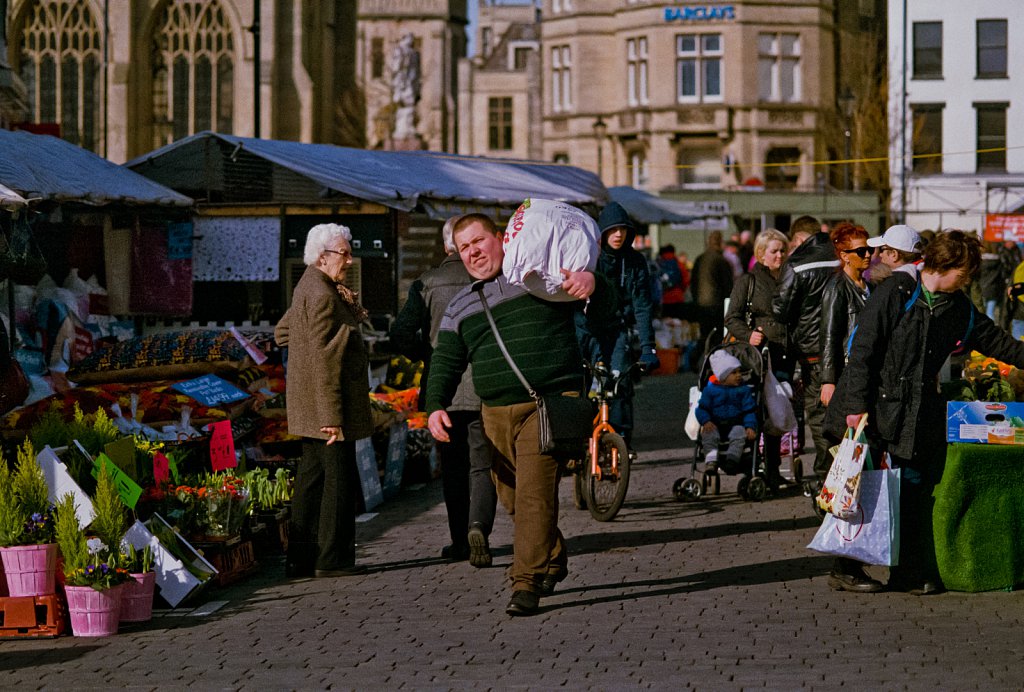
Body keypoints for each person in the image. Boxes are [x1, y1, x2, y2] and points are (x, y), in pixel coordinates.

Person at [424, 213, 612, 617]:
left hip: (544, 406)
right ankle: (553, 558)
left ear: (501, 238)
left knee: (532, 496)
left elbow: (605, 313)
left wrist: (593, 283)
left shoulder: (538, 278)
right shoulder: (460, 306)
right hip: (493, 414)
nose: (473, 252)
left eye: (479, 241)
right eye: (464, 247)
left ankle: (525, 582)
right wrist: (435, 405)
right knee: (511, 498)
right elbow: (445, 361)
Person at [825, 230, 1024, 595]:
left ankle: (906, 571)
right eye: (963, 272)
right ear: (945, 265)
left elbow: (996, 341)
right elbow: (863, 349)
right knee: (862, 485)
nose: (966, 280)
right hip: (875, 405)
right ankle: (846, 566)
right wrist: (855, 407)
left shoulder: (957, 307)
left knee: (912, 488)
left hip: (917, 411)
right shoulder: (897, 290)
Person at [389, 217, 497, 567]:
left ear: (444, 245)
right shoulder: (488, 276)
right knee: (482, 464)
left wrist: (428, 354)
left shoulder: (428, 282)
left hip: (443, 390)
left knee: (453, 468)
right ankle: (479, 527)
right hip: (483, 385)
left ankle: (459, 541)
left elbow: (400, 333)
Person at [274, 223, 373, 578]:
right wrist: (331, 415)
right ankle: (332, 558)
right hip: (328, 406)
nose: (350, 260)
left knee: (312, 480)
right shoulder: (324, 296)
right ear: (322, 257)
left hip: (309, 402)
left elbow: (282, 333)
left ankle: (300, 558)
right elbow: (325, 359)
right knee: (338, 481)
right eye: (344, 253)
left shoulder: (309, 286)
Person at [576, 202, 659, 445]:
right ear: (602, 233)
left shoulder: (634, 261)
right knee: (581, 385)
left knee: (620, 383)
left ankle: (620, 440)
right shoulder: (589, 256)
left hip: (616, 329)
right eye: (612, 230)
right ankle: (578, 441)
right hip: (586, 328)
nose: (618, 234)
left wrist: (648, 347)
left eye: (623, 229)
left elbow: (643, 306)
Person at [723, 228, 791, 491]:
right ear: (761, 254)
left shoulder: (789, 279)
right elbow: (732, 317)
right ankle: (754, 465)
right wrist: (748, 335)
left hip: (783, 354)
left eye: (783, 251)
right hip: (757, 357)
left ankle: (773, 468)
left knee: (777, 413)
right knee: (758, 411)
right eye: (774, 251)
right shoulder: (748, 281)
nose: (779, 256)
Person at [772, 215, 838, 482]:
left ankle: (827, 476)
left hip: (813, 350)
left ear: (799, 238)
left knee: (819, 414)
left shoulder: (797, 263)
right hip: (846, 347)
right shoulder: (841, 255)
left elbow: (780, 309)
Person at [819, 222, 872, 410]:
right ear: (844, 256)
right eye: (861, 251)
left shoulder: (870, 287)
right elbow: (829, 335)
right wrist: (828, 380)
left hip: (866, 369)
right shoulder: (837, 288)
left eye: (870, 249)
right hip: (846, 371)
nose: (868, 255)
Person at [695, 350, 757, 474]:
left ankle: (732, 460)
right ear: (722, 377)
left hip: (736, 423)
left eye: (739, 371)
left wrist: (750, 426)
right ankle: (711, 461)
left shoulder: (743, 390)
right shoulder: (710, 391)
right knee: (708, 435)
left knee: (739, 434)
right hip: (714, 423)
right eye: (734, 373)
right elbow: (701, 409)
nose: (739, 375)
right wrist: (705, 421)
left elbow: (749, 410)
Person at [690, 230, 734, 342]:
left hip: (701, 303)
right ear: (720, 242)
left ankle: (703, 352)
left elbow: (693, 282)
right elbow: (727, 285)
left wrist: (695, 300)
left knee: (704, 336)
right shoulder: (721, 260)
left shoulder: (700, 259)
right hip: (716, 305)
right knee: (717, 336)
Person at [656, 244, 689, 320]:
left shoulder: (658, 265)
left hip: (663, 300)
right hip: (678, 298)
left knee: (665, 323)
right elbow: (686, 281)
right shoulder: (679, 265)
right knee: (678, 323)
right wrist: (681, 290)